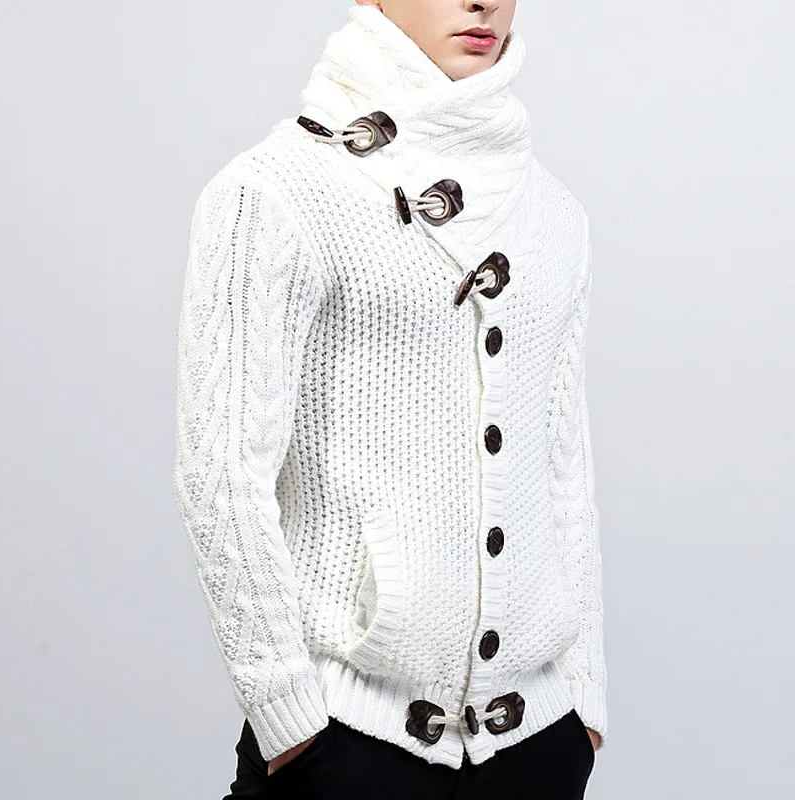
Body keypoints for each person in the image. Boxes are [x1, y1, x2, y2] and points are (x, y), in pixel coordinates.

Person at [173, 1, 608, 797]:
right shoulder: (275, 193)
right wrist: (288, 720)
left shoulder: (559, 218)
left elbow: (563, 473)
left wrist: (587, 699)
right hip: (348, 746)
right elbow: (222, 473)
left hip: (537, 743)